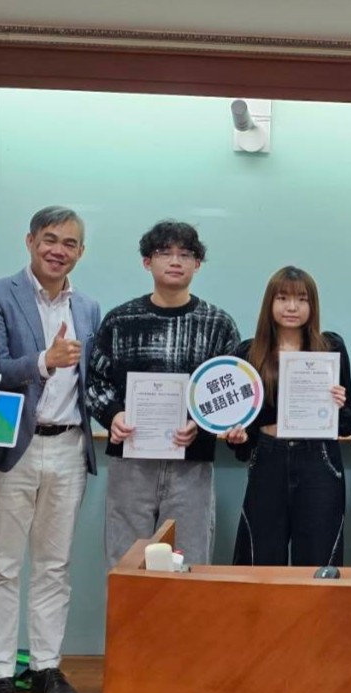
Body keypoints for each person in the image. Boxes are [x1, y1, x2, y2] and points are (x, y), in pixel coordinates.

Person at [0, 206, 101, 693]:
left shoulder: (88, 307)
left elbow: (93, 379)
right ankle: (1, 674)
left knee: (54, 565)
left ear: (81, 252)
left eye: (70, 243)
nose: (58, 250)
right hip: (12, 447)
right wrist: (45, 362)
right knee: (1, 566)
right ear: (29, 241)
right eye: (50, 239)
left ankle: (47, 667)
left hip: (69, 444)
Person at [87, 220, 244, 567]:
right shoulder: (120, 320)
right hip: (132, 461)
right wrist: (113, 415)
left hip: (192, 463)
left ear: (197, 264)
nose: (175, 261)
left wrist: (201, 425)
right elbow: (95, 382)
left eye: (185, 254)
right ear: (147, 262)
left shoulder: (218, 324)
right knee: (126, 563)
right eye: (164, 253)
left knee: (189, 563)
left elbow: (232, 391)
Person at [232, 266, 351, 566]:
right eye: (283, 298)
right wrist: (238, 436)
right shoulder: (248, 353)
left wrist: (339, 404)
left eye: (302, 299)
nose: (291, 307)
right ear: (269, 303)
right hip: (268, 457)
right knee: (260, 558)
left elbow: (348, 422)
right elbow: (242, 433)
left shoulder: (330, 348)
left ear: (313, 306)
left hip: (319, 460)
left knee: (319, 559)